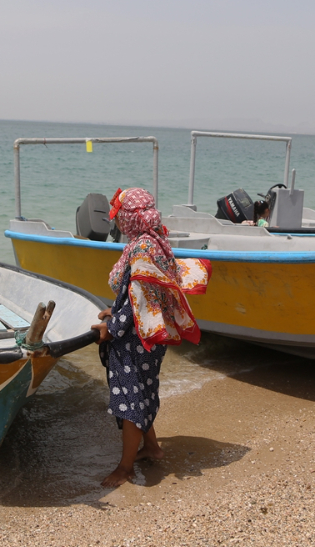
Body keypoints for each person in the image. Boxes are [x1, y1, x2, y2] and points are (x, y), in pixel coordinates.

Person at [91, 188, 210, 488]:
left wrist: (112, 327)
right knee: (141, 392)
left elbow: (139, 300)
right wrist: (114, 308)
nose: (116, 223)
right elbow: (137, 291)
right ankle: (153, 448)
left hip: (137, 339)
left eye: (119, 216)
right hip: (151, 336)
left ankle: (125, 468)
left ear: (130, 218)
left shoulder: (143, 247)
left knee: (130, 402)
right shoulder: (154, 239)